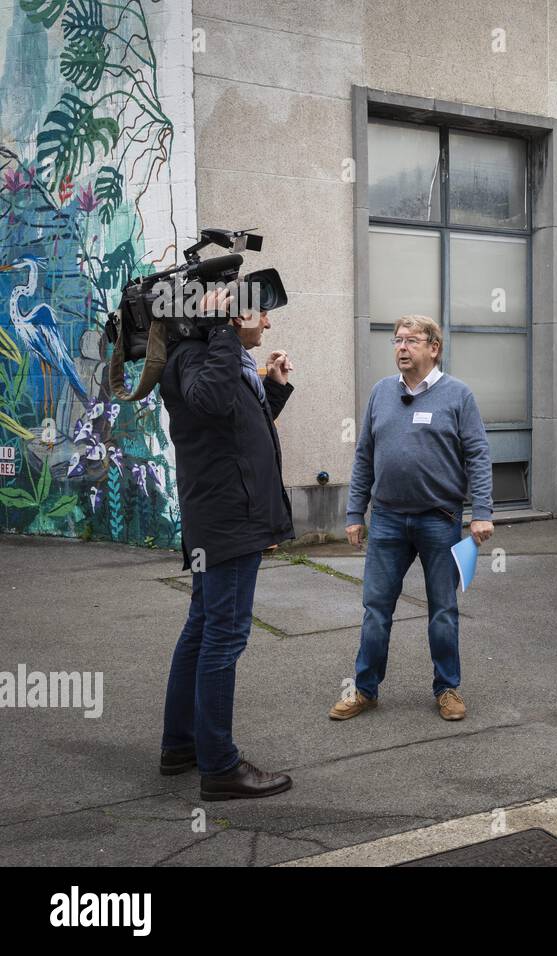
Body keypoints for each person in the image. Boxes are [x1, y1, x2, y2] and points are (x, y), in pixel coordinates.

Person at [158, 288, 296, 800]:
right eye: (263, 312)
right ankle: (219, 766)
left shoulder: (221, 359)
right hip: (227, 522)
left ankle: (181, 745)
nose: (268, 323)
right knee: (224, 637)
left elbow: (230, 427)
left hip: (225, 518)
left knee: (202, 627)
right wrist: (219, 328)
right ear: (234, 315)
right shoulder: (200, 354)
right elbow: (212, 402)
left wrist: (274, 390)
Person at [331, 314, 493, 723]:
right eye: (397, 341)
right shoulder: (381, 393)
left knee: (442, 609)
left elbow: (478, 456)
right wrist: (355, 513)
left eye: (411, 341)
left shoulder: (458, 395)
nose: (402, 347)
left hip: (439, 519)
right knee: (376, 609)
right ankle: (365, 689)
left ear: (434, 347)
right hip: (386, 519)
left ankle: (447, 688)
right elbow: (364, 455)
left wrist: (482, 513)